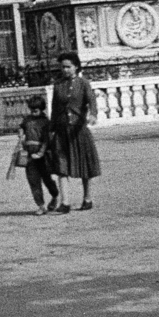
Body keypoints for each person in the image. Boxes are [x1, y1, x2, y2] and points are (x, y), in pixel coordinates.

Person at [48, 51, 101, 212]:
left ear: (76, 66)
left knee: (84, 165)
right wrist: (51, 129)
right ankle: (65, 202)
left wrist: (92, 115)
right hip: (62, 131)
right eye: (62, 67)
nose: (65, 70)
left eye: (68, 67)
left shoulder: (83, 83)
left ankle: (87, 198)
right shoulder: (58, 85)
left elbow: (91, 102)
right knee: (61, 167)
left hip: (79, 131)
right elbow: (55, 109)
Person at [17, 93, 60, 212]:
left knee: (47, 179)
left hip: (43, 155)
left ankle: (55, 195)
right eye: (31, 110)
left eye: (35, 110)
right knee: (33, 181)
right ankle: (41, 205)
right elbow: (21, 127)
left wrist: (41, 153)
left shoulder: (46, 122)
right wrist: (21, 134)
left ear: (41, 109)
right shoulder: (27, 119)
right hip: (30, 154)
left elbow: (47, 140)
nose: (33, 113)